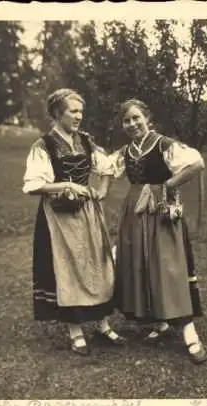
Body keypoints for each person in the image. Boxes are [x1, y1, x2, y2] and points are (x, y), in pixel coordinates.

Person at [22, 88, 125, 356]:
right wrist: (66, 184)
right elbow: (33, 185)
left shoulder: (86, 141)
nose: (79, 116)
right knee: (68, 268)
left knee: (97, 264)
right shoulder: (43, 145)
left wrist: (102, 190)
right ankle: (75, 331)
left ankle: (103, 324)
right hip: (58, 216)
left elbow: (107, 168)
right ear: (57, 113)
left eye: (81, 111)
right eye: (73, 111)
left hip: (88, 213)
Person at [108, 99, 207, 363]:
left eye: (136, 118)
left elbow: (196, 164)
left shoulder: (163, 144)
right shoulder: (126, 152)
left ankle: (189, 333)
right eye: (126, 120)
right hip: (135, 211)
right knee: (142, 265)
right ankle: (159, 322)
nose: (132, 124)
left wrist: (168, 185)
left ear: (147, 118)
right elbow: (105, 168)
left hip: (161, 210)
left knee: (168, 268)